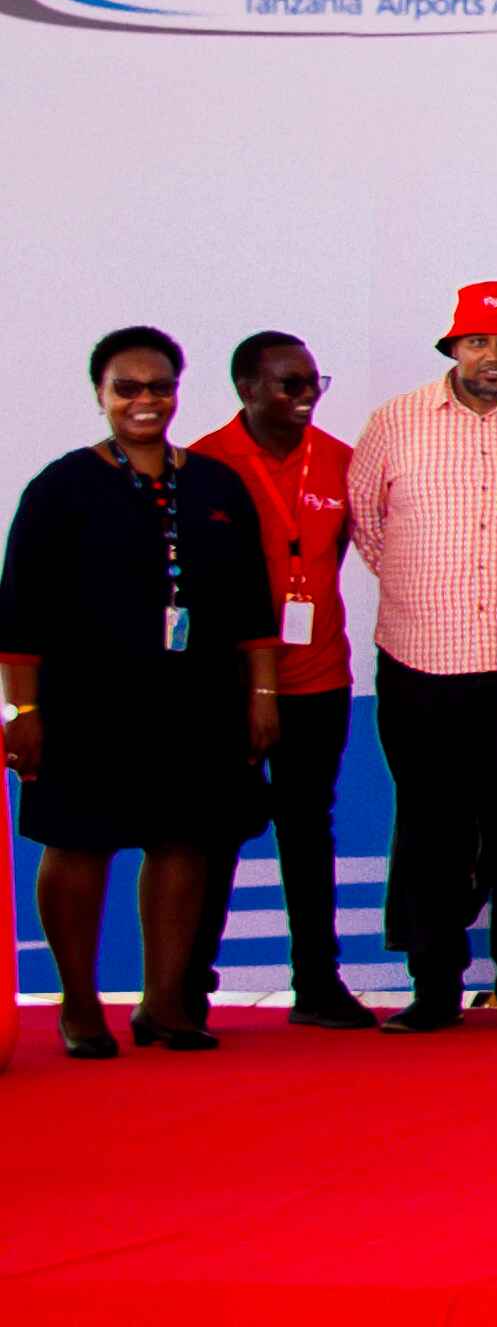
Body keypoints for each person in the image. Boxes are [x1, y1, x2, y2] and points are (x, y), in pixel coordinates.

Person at [0, 328, 273, 1055]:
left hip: (197, 701)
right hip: (84, 704)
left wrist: (263, 694)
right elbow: (20, 613)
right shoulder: (60, 487)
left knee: (184, 842)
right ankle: (80, 1005)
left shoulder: (216, 484)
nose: (144, 400)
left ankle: (165, 1004)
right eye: (126, 388)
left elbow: (252, 605)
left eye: (160, 387)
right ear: (100, 394)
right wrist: (22, 710)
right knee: (78, 845)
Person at [349, 278, 497, 1031]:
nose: (493, 356)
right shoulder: (396, 421)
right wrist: (428, 596)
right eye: (478, 341)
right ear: (453, 346)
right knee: (429, 826)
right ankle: (433, 989)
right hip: (420, 659)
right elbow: (367, 524)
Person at [184, 329, 369, 1026]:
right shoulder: (206, 464)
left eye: (314, 383)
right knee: (215, 829)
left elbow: (334, 554)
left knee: (308, 826)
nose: (306, 396)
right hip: (226, 684)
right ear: (247, 389)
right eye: (290, 383)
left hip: (318, 676)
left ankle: (317, 983)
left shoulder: (340, 461)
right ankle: (187, 986)